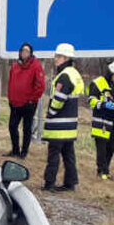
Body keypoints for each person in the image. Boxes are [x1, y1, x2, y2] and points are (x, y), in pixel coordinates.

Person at [42, 43, 84, 193]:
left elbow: (59, 99)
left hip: (59, 125)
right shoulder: (75, 74)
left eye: (58, 56)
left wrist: (51, 112)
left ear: (66, 58)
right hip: (70, 125)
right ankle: (70, 182)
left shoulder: (64, 76)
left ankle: (49, 183)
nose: (56, 59)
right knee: (68, 155)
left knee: (53, 155)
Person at [87, 60, 114, 180]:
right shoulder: (97, 83)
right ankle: (101, 171)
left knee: (111, 148)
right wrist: (103, 104)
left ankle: (107, 170)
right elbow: (91, 100)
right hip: (101, 121)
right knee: (102, 148)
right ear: (112, 72)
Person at [5, 43, 45, 159]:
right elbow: (11, 82)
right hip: (15, 103)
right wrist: (10, 98)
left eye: (27, 51)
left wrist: (32, 100)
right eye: (22, 51)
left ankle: (24, 152)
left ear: (30, 53)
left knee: (27, 128)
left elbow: (40, 85)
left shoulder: (36, 65)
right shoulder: (15, 66)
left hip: (29, 104)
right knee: (12, 126)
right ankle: (15, 150)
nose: (24, 53)